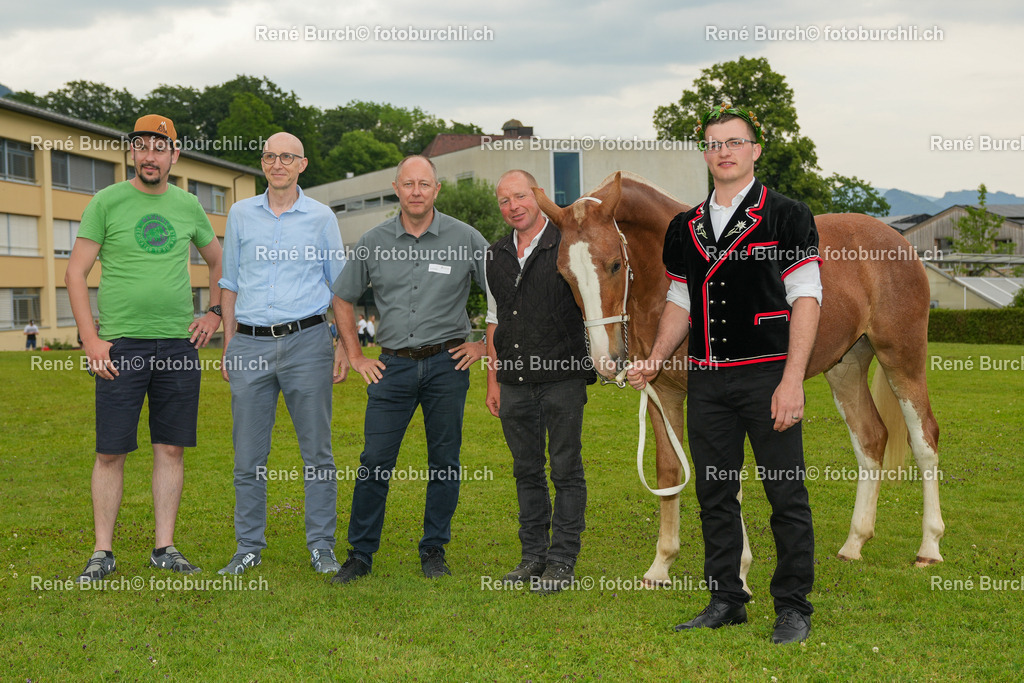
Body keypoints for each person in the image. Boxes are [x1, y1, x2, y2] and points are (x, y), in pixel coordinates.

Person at [627, 104, 821, 644]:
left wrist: (793, 379)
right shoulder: (684, 227)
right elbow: (679, 300)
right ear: (706, 154)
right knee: (715, 494)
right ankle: (726, 598)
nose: (724, 151)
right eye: (714, 144)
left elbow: (807, 298)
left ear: (755, 150)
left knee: (785, 494)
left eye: (734, 142)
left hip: (768, 376)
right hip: (707, 378)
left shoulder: (787, 215)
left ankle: (792, 606)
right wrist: (657, 356)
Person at [66, 114, 223, 583]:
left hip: (177, 343)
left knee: (170, 449)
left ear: (175, 154)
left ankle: (164, 546)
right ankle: (102, 552)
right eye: (142, 147)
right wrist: (91, 339)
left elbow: (217, 260)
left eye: (159, 147)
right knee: (111, 452)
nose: (149, 156)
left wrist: (213, 312)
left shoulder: (189, 205)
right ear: (132, 153)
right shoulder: (106, 201)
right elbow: (75, 273)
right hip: (120, 345)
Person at [330, 154, 489, 583]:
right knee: (374, 462)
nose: (416, 191)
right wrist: (356, 354)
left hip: (447, 365)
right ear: (396, 189)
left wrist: (485, 344)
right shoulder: (372, 241)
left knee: (444, 462)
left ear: (437, 190)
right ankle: (360, 555)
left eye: (424, 184)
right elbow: (342, 297)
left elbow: (504, 294)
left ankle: (434, 550)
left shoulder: (466, 238)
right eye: (408, 184)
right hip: (392, 367)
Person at [216, 132, 350, 577]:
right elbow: (229, 283)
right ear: (262, 162)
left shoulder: (321, 217)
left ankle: (321, 546)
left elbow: (340, 286)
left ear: (302, 165)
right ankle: (248, 546)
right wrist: (228, 344)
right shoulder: (239, 214)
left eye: (287, 157)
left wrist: (345, 348)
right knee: (248, 457)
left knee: (318, 453)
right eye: (271, 157)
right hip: (249, 344)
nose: (278, 164)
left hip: (307, 343)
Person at [484, 170, 594, 594]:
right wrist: (493, 381)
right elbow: (493, 321)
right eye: (504, 200)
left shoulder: (568, 244)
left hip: (562, 376)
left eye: (520, 196)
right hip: (513, 381)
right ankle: (533, 556)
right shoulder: (495, 255)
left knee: (566, 469)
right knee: (526, 470)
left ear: (538, 196)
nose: (513, 206)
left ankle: (562, 560)